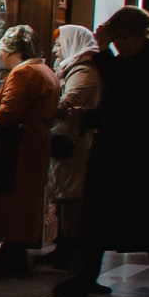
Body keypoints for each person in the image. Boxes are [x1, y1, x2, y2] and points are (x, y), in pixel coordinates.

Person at [36, 7, 149, 297]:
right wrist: (92, 117)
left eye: (119, 40)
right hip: (135, 161)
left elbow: (130, 104)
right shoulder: (148, 61)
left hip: (132, 161)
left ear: (133, 36)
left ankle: (74, 294)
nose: (117, 46)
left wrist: (105, 53)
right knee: (143, 233)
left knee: (105, 228)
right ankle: (74, 293)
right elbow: (126, 108)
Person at [0, 24, 59, 276]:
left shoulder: (22, 73)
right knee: (27, 197)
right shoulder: (44, 69)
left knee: (12, 194)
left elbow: (8, 114)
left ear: (11, 51)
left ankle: (11, 254)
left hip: (19, 142)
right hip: (36, 139)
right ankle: (14, 251)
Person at [48, 23, 102, 254]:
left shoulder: (83, 72)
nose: (55, 50)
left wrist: (43, 107)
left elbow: (67, 103)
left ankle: (68, 246)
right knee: (63, 191)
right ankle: (63, 244)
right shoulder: (73, 69)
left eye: (59, 45)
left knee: (70, 193)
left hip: (73, 140)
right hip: (66, 138)